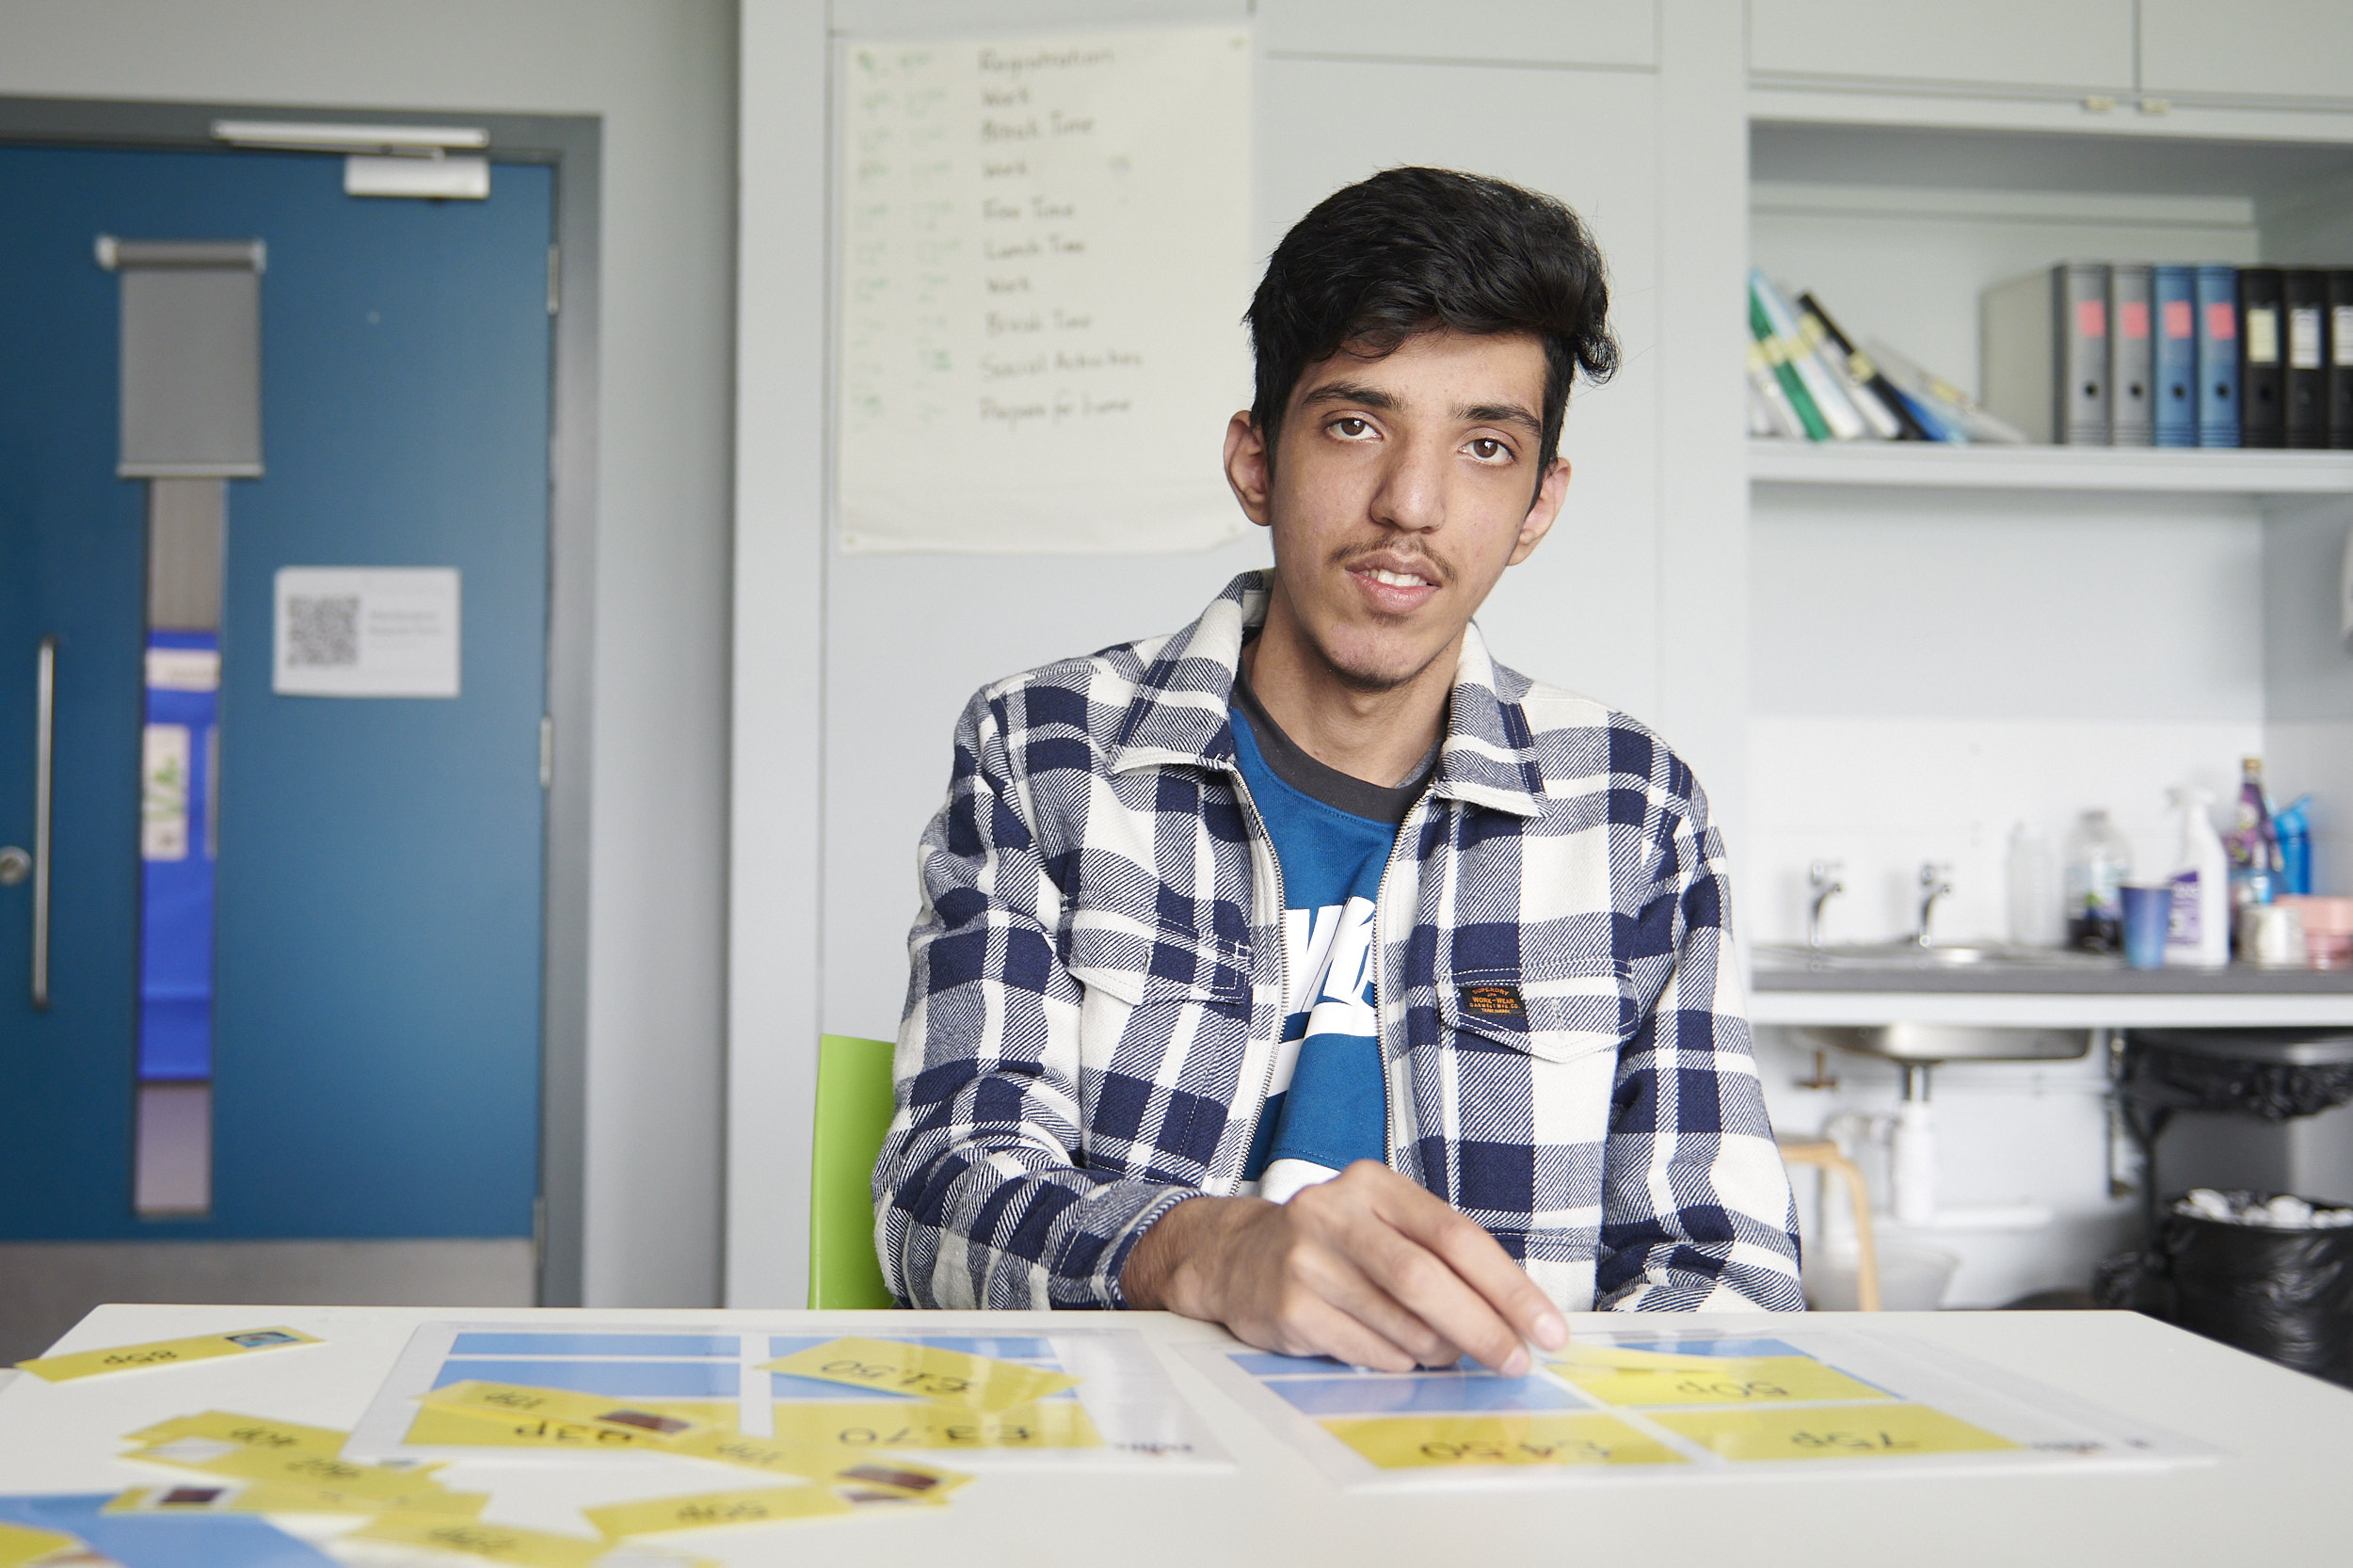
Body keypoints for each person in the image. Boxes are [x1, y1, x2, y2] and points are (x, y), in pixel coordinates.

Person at [874, 168, 1802, 1374]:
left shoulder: (1634, 809)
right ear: (1255, 461)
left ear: (1537, 504)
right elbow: (939, 1193)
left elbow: (1723, 1265)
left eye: (1484, 446)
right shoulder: (1044, 751)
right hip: (1143, 1477)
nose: (1410, 505)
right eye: (1355, 424)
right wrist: (1204, 1251)